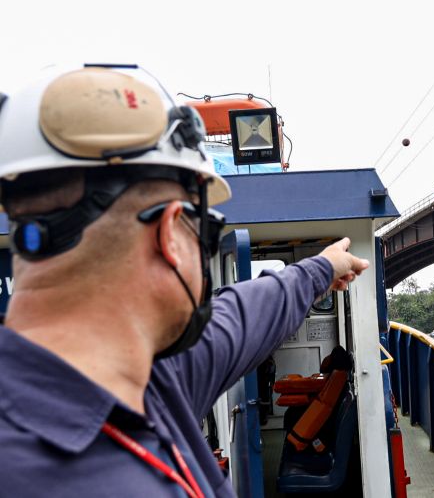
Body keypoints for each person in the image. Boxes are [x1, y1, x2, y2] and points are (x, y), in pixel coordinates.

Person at [0, 65, 369, 497]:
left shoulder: (148, 378)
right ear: (173, 233)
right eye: (205, 233)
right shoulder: (157, 384)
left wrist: (320, 269)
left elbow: (241, 317)